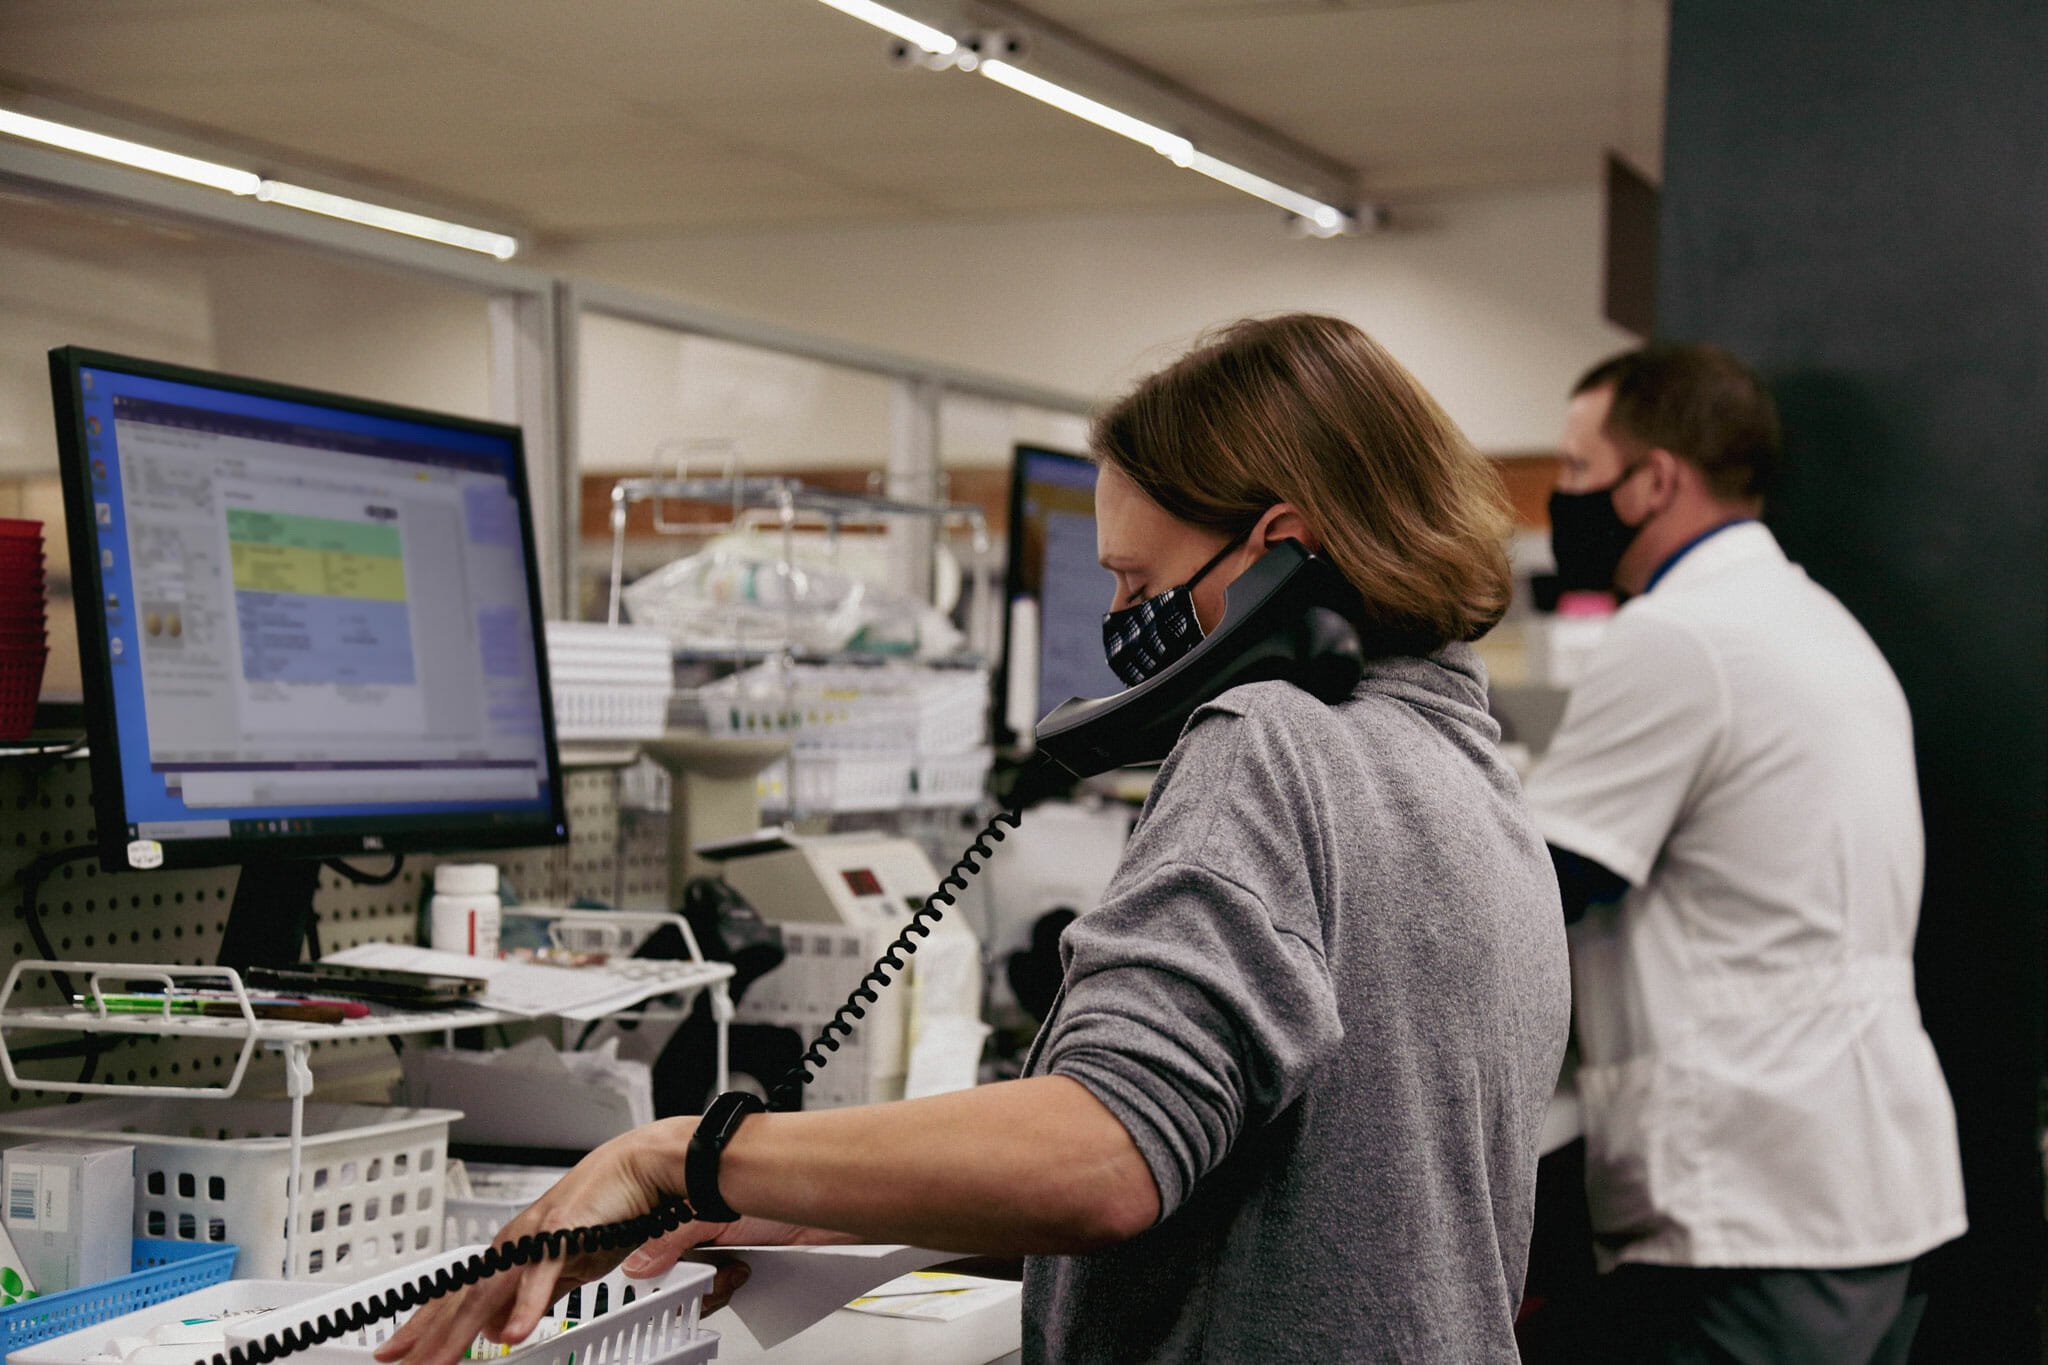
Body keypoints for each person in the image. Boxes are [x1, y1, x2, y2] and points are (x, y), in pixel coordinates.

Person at [377, 314, 1571, 1365]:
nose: (1114, 621)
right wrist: (799, 1201)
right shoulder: (1461, 767)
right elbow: (1256, 1168)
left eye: (1135, 577)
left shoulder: (1270, 738)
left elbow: (1107, 1156)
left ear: (1279, 554)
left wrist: (681, 1154)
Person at [1527, 343, 1967, 1363]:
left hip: (1754, 1190)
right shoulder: (1815, 624)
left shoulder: (1678, 637)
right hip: (1858, 1181)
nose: (1563, 498)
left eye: (1578, 472)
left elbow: (1535, 883)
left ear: (1655, 482)